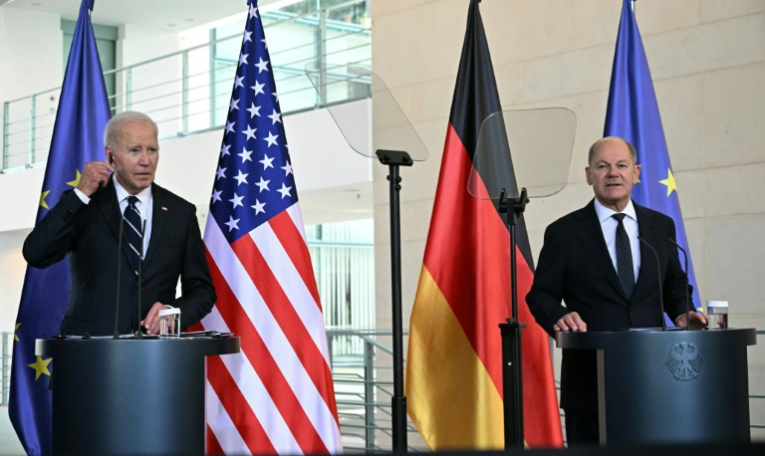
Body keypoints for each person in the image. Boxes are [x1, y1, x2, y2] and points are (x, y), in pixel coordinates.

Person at [526, 136, 707, 446]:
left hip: (654, 379)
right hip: (590, 385)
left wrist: (682, 311)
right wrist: (560, 315)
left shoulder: (660, 227)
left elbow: (674, 284)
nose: (613, 173)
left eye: (621, 165)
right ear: (588, 175)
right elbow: (540, 294)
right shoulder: (564, 232)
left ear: (635, 172)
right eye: (602, 166)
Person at [23, 111, 215, 336]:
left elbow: (202, 290)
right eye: (134, 150)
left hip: (156, 356)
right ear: (110, 155)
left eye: (151, 150)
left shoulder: (181, 212)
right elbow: (36, 254)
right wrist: (80, 194)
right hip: (88, 352)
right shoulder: (84, 204)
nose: (145, 160)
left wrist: (173, 311)